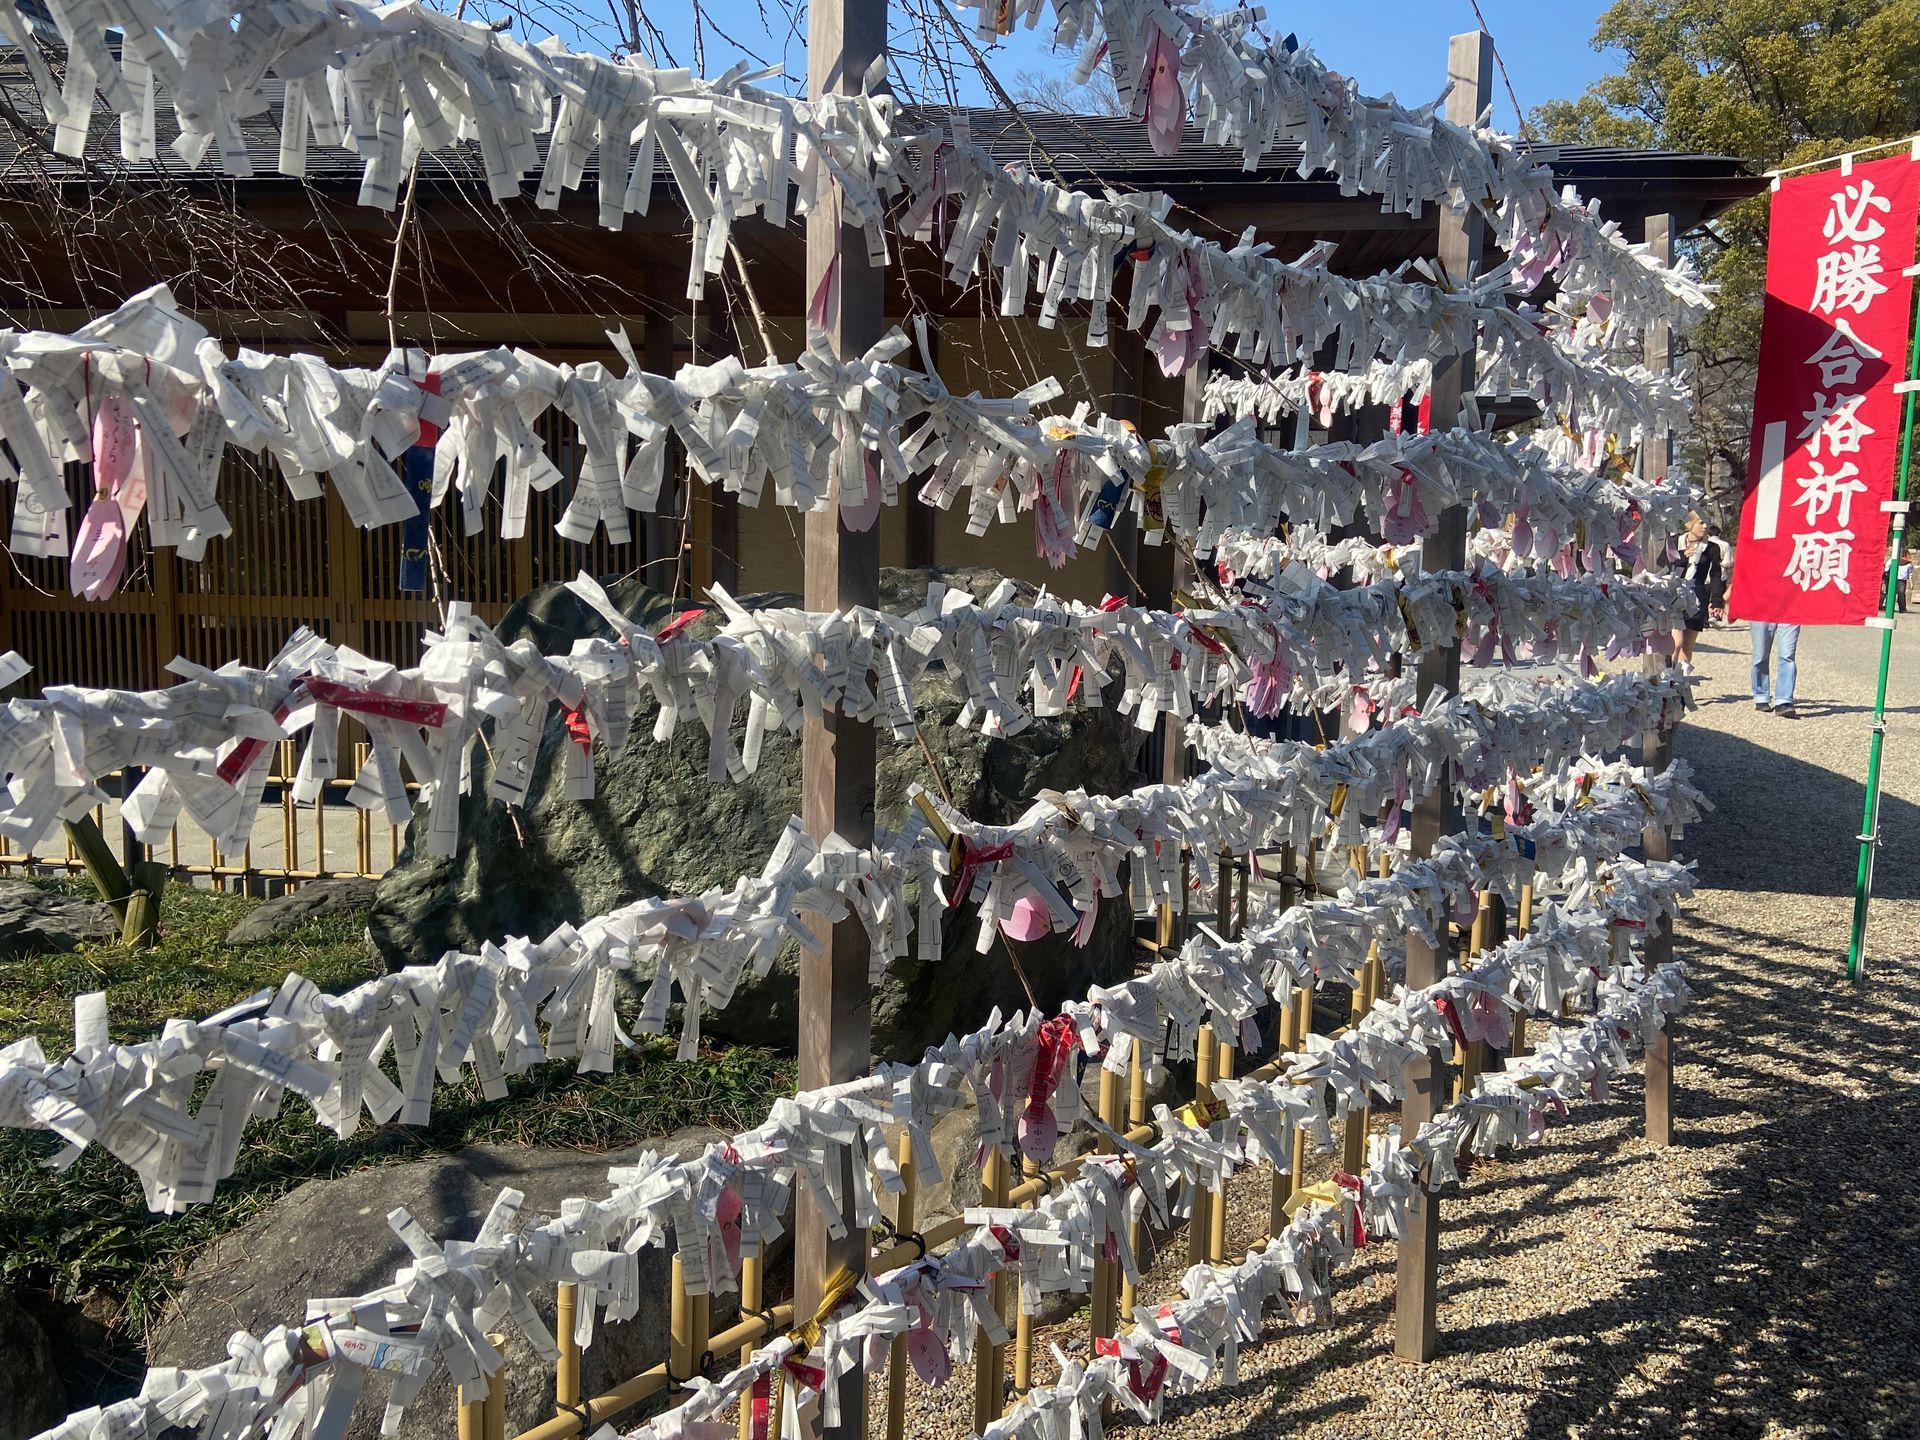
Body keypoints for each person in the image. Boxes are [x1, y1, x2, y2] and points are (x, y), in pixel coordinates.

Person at [1673, 516, 1721, 670]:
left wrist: (1717, 600)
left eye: (1707, 522)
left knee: (1687, 645)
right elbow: (1663, 567)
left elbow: (1715, 575)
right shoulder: (1674, 543)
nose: (1705, 526)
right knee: (1676, 642)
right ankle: (1668, 677)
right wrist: (1681, 557)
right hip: (1674, 595)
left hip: (1697, 597)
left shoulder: (1712, 548)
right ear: (1688, 524)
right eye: (1701, 522)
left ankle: (1682, 684)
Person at [1751, 621, 1799, 717]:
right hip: (1762, 608)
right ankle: (1761, 695)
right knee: (1760, 655)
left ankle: (1783, 700)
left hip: (1790, 609)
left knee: (1787, 656)